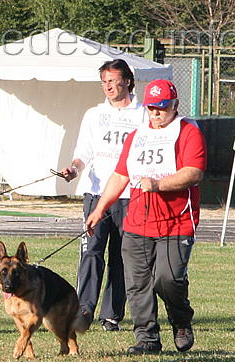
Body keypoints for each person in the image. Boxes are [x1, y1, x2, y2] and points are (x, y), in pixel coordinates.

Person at [85, 79, 206, 355]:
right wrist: (100, 209)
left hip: (176, 222)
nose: (156, 113)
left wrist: (159, 184)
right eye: (151, 107)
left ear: (175, 105)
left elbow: (194, 172)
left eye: (162, 107)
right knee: (137, 283)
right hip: (138, 222)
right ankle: (147, 338)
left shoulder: (188, 132)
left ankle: (181, 320)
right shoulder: (136, 136)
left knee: (168, 279)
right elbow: (120, 175)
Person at [60, 59, 148, 332]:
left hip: (130, 195)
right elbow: (84, 151)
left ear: (127, 81)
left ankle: (111, 314)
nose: (108, 86)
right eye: (104, 82)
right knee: (91, 252)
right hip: (97, 193)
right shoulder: (93, 114)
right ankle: (83, 309)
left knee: (121, 255)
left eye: (113, 81)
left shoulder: (144, 114)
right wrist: (74, 169)